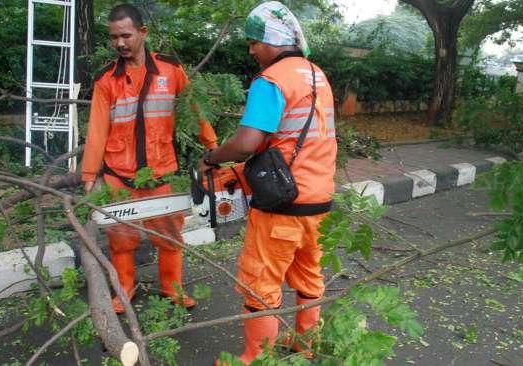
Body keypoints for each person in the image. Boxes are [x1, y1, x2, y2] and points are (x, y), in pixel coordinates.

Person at [198, 2, 337, 363]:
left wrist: (212, 157)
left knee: (261, 284)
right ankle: (307, 346)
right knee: (309, 278)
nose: (252, 50)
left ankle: (255, 359)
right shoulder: (317, 74)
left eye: (254, 42)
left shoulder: (271, 80)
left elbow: (247, 144)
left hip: (282, 207)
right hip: (319, 202)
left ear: (272, 40)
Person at [81, 3, 218, 313]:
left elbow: (194, 110)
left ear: (143, 32)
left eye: (126, 36)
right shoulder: (106, 80)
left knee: (169, 236)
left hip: (161, 174)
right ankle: (124, 289)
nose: (119, 43)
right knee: (121, 239)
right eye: (113, 37)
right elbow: (97, 131)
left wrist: (212, 146)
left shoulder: (170, 71)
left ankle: (172, 288)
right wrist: (89, 177)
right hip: (119, 174)